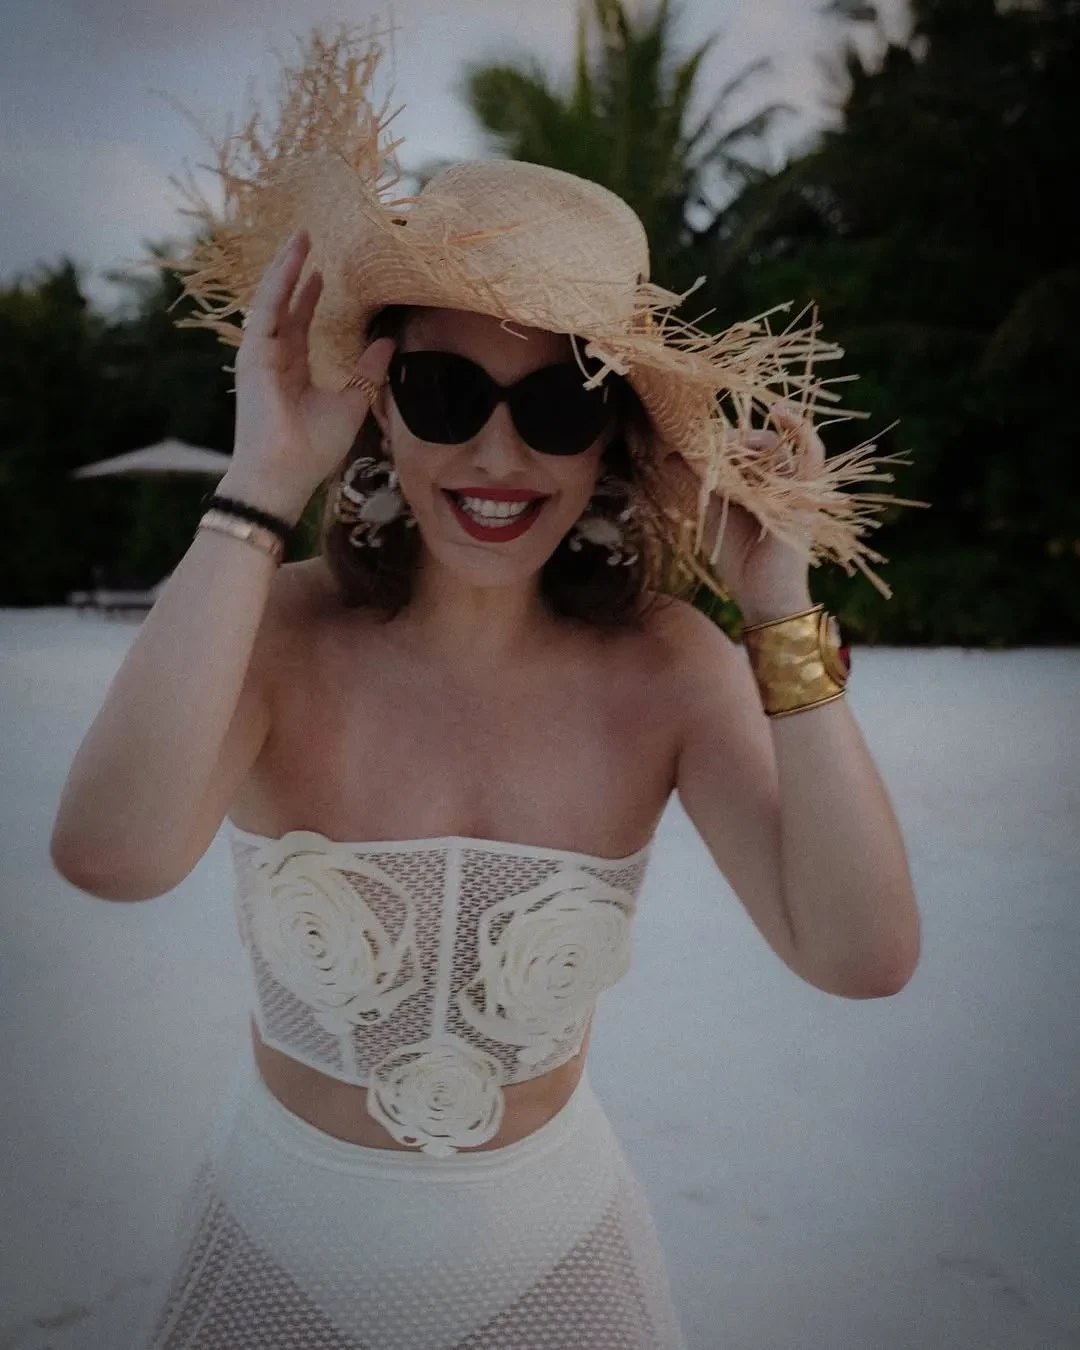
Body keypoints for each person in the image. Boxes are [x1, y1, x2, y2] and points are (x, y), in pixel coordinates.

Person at [49, 29, 922, 1350]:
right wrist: (263, 479)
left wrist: (778, 610)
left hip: (556, 1259)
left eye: (559, 405)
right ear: (380, 403)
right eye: (447, 391)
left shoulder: (668, 667)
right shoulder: (276, 630)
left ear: (612, 434)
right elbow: (109, 855)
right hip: (276, 1238)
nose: (500, 454)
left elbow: (861, 956)